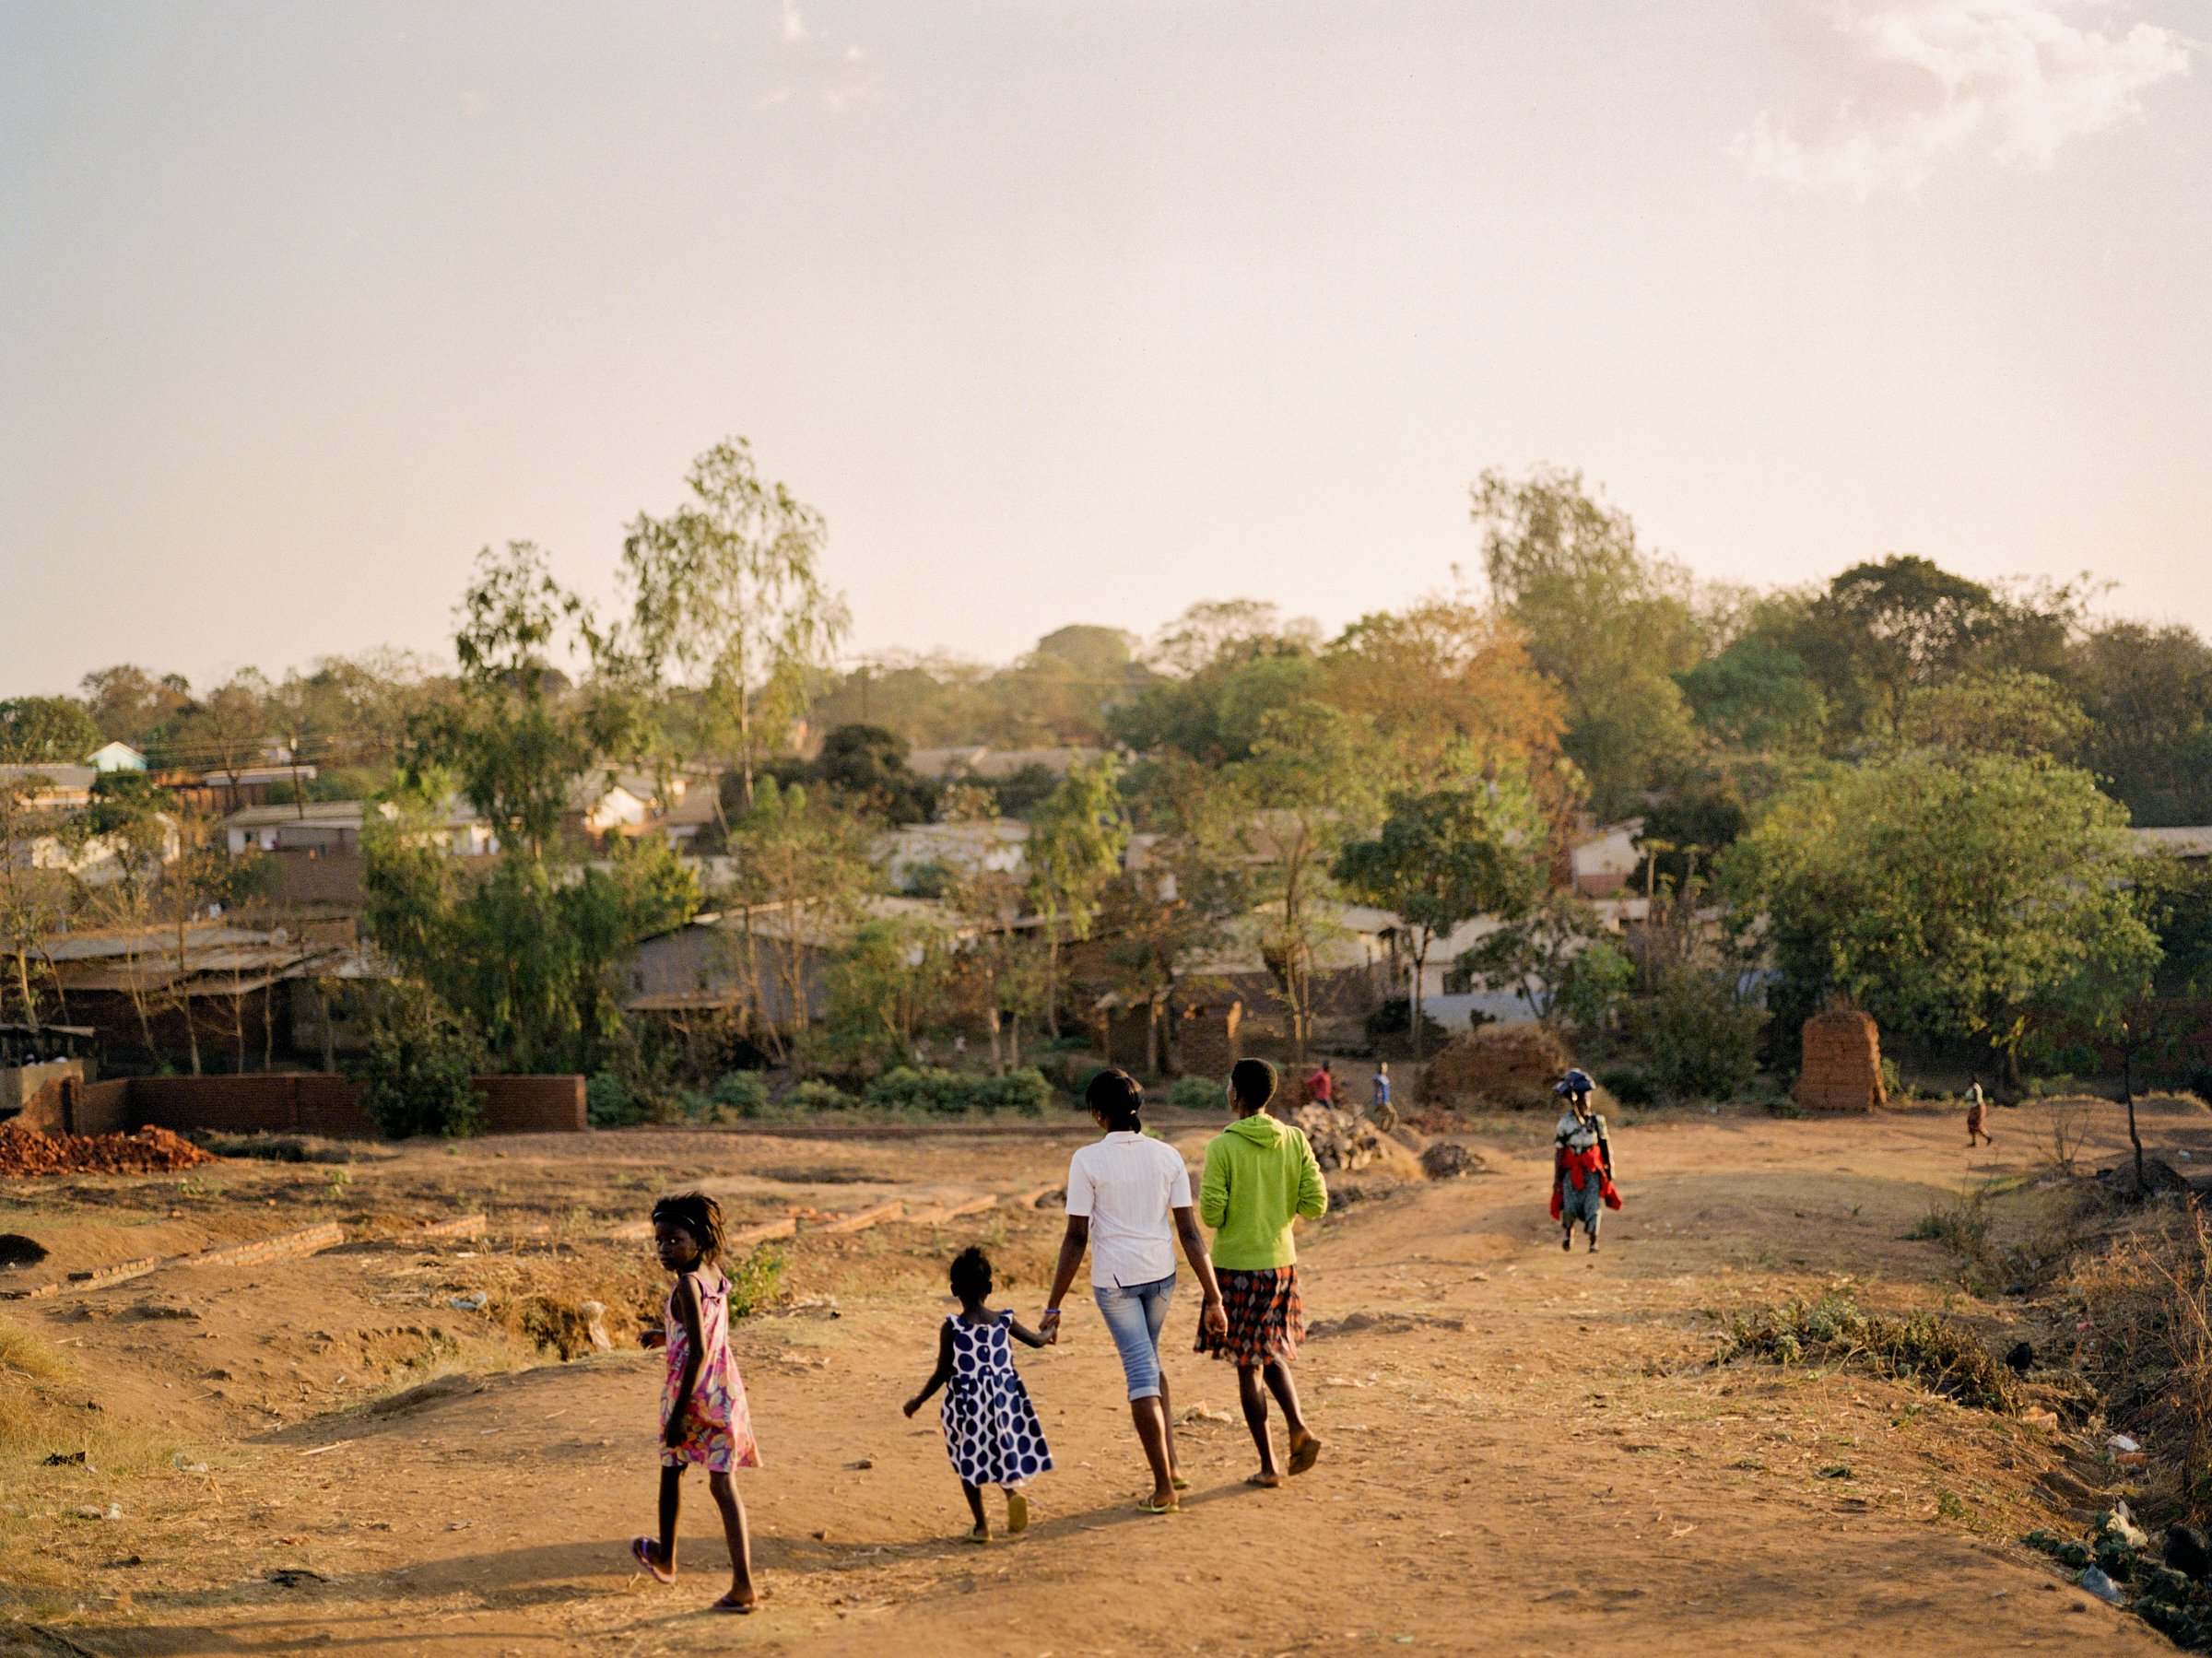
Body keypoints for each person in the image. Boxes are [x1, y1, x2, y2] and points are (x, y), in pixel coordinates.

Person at [1041, 1067, 1229, 1514]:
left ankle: (1164, 1489)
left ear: (1098, 1114)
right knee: (1150, 1360)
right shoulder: (1167, 1156)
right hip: (1162, 1276)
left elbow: (1076, 1239)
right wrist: (1213, 1296)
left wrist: (1053, 1304)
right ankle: (1174, 1465)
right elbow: (1190, 1234)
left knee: (1141, 1374)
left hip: (1117, 1283)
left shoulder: (1087, 1160)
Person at [1196, 1057, 1329, 1487]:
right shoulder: (1294, 1139)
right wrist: (1276, 1205)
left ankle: (1270, 1466)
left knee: (1247, 1366)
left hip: (1237, 1269)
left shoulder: (1222, 1147)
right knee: (1267, 1353)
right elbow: (1315, 1204)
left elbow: (1212, 1215)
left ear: (1236, 1094)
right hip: (1281, 1266)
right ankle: (1299, 1428)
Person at [632, 1192, 759, 1614]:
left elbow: (699, 1351)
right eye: (659, 1241)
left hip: (691, 1394)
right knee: (723, 1485)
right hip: (724, 1392)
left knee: (672, 1467)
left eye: (674, 1240)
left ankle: (666, 1558)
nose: (664, 1249)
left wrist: (677, 1415)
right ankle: (743, 1585)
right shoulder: (713, 1275)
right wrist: (666, 1335)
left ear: (698, 1240)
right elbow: (703, 1330)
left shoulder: (687, 1284)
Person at [904, 1245, 1053, 1544]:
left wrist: (917, 1401)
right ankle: (1011, 1493)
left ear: (954, 1290)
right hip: (1003, 1402)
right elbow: (1038, 1341)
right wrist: (1050, 1329)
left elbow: (941, 1373)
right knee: (998, 1449)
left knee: (968, 1459)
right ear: (990, 1287)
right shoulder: (1004, 1321)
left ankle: (982, 1527)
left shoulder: (953, 1328)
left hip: (966, 1407)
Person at [1550, 1070, 1619, 1253]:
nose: (1584, 1101)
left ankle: (1593, 1242)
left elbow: (1604, 1145)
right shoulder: (1565, 1123)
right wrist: (1557, 1179)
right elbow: (1559, 1152)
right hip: (1571, 1171)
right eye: (1581, 1097)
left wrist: (1610, 1168)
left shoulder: (1597, 1121)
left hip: (1591, 1170)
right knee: (1569, 1205)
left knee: (1593, 1206)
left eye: (1586, 1097)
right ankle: (1569, 1234)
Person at [1966, 1076, 1992, 1147]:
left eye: (1970, 1080)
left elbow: (1976, 1099)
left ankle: (1988, 1137)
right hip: (1974, 1108)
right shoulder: (1973, 1087)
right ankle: (1974, 1141)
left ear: (1973, 1080)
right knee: (1971, 1123)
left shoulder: (1975, 1088)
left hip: (1978, 1108)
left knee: (1976, 1124)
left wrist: (1968, 1099)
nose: (1968, 1081)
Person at [1370, 1061, 1395, 1129]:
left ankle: (1384, 1128)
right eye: (1382, 1067)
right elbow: (1378, 1090)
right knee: (1393, 1114)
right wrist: (1379, 1102)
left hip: (1385, 1099)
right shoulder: (1379, 1078)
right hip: (1382, 1100)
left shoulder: (1382, 1077)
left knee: (1386, 1116)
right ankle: (1389, 1129)